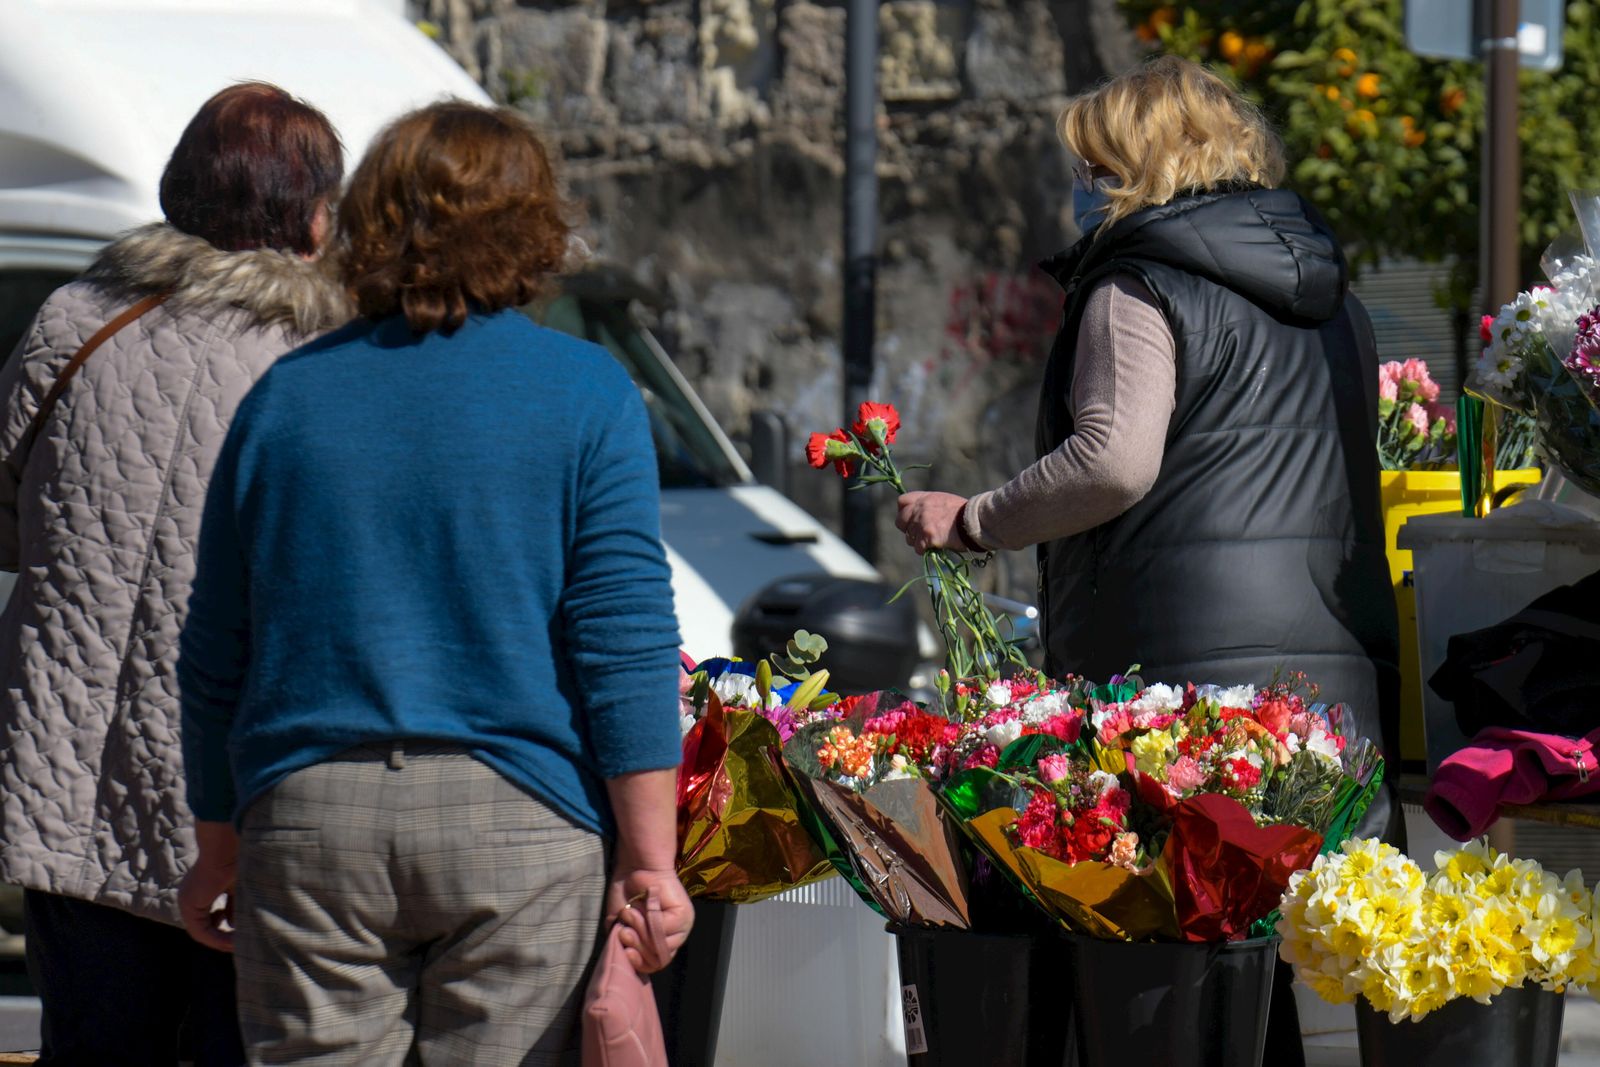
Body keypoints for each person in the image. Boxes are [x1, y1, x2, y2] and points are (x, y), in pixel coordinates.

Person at [895, 55, 1401, 1066]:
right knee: (1269, 993)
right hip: (1330, 682)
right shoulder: (1338, 303)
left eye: (1092, 164)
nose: (1078, 187)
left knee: (1162, 997)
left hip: (1183, 692)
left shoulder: (1138, 283)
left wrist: (976, 518)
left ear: (1136, 165)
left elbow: (1113, 461)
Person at [176, 101, 692, 1065]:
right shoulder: (587, 392)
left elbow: (216, 646)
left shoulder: (285, 398)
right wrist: (649, 859)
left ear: (369, 221)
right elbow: (623, 639)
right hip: (522, 818)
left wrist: (217, 835)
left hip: (310, 815)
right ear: (532, 227)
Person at [0, 83, 347, 1065]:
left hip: (73, 777)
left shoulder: (77, 320)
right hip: (243, 796)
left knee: (95, 1044)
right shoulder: (321, 358)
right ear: (308, 210)